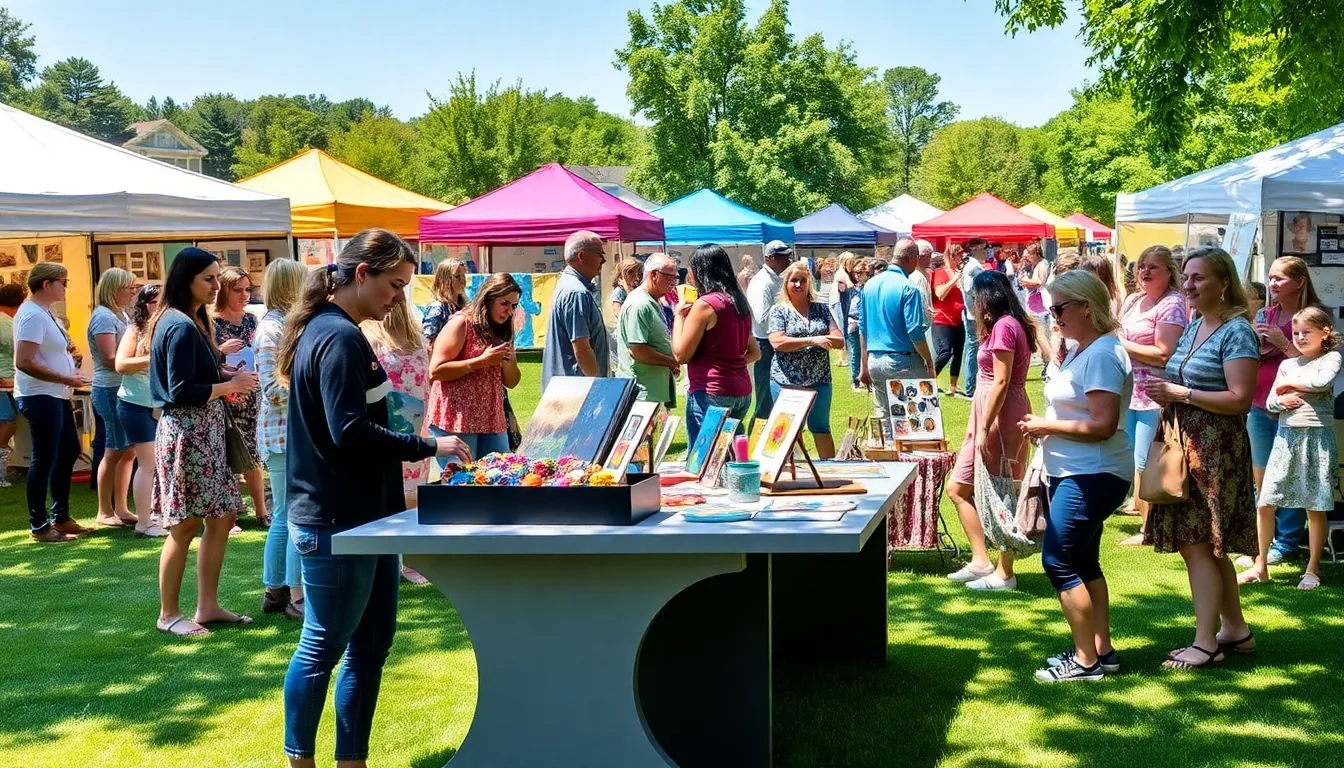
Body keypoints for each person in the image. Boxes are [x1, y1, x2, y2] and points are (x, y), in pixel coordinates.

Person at [278, 229, 469, 767]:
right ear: (362, 274)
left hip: (369, 518)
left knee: (369, 647)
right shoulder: (336, 336)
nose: (398, 297)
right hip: (338, 518)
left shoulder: (338, 331)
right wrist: (427, 443)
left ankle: (352, 760)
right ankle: (300, 760)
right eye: (393, 284)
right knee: (323, 645)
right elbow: (349, 430)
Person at [1143, 246, 1258, 670]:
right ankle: (1235, 630)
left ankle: (1205, 642)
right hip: (1185, 444)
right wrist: (1167, 392)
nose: (1188, 285)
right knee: (1209, 546)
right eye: (1186, 277)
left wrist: (1181, 394)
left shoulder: (1237, 331)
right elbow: (1181, 378)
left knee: (1199, 545)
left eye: (1199, 278)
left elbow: (1240, 399)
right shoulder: (1194, 327)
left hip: (1215, 451)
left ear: (1224, 282)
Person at [1018, 271, 1134, 681]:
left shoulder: (1102, 353)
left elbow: (1104, 424)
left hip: (1093, 472)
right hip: (1077, 470)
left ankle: (1085, 662)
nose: (1054, 316)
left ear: (1087, 306)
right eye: (1051, 308)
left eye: (1061, 308)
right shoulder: (1083, 349)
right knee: (1083, 560)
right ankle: (1101, 650)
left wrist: (1045, 427)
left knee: (1059, 560)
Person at [149, 248, 259, 636]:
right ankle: (168, 615)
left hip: (205, 431)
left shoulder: (190, 319)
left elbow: (194, 373)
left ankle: (207, 606)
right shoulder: (178, 323)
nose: (216, 286)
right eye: (208, 279)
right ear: (186, 280)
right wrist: (228, 384)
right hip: (188, 432)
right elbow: (179, 389)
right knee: (185, 525)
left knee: (222, 516)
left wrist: (225, 371)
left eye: (216, 278)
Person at [945, 271, 1034, 591]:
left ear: (987, 297)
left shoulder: (1004, 326)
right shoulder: (1006, 325)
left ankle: (1005, 573)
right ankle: (982, 561)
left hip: (999, 415)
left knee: (1002, 491)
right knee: (958, 488)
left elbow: (1001, 381)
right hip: (990, 412)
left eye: (974, 295)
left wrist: (984, 426)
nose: (971, 300)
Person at [1242, 306, 1341, 590]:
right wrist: (1283, 395)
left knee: (1315, 505)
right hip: (1286, 438)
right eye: (1295, 332)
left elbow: (1321, 382)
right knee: (1265, 500)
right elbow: (1271, 401)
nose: (1299, 337)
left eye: (1306, 332)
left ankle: (1312, 569)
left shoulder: (1331, 357)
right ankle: (1260, 565)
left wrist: (1290, 386)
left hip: (1316, 438)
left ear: (1325, 333)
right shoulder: (1287, 365)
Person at [1238, 256, 1323, 579]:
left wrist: (1282, 342)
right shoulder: (1264, 314)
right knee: (1263, 478)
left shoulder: (1313, 316)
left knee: (1291, 476)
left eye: (1279, 279)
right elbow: (1255, 352)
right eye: (1270, 278)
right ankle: (1263, 543)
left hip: (1297, 410)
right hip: (1261, 403)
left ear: (1299, 282)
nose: (1271, 285)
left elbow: (1318, 365)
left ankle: (1287, 542)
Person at [15, 264, 92, 542]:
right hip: (40, 394)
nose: (66, 287)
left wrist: (69, 370)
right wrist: (65, 376)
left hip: (54, 393)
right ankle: (40, 525)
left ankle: (60, 517)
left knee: (69, 450)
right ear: (47, 284)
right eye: (63, 282)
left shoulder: (43, 313)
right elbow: (23, 361)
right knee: (44, 459)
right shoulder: (33, 314)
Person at [1116, 246, 1187, 543]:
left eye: (1153, 266)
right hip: (1127, 390)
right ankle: (1145, 524)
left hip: (1154, 393)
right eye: (1142, 265)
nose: (1144, 271)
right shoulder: (1133, 300)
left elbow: (1162, 354)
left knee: (1148, 460)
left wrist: (1120, 342)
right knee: (1133, 459)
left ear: (1169, 272)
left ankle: (1150, 530)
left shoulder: (1172, 304)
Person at [254, 258, 309, 622]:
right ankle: (295, 595)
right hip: (283, 433)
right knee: (293, 516)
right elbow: (272, 388)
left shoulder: (283, 326)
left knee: (282, 515)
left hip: (287, 433)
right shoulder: (272, 330)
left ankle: (275, 591)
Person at [428, 273, 523, 462]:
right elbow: (435, 371)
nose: (510, 311)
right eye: (504, 303)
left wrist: (508, 360)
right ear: (488, 298)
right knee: (461, 485)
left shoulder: (503, 328)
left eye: (514, 305)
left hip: (492, 420)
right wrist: (481, 361)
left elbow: (512, 382)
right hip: (457, 421)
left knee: (499, 481)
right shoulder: (461, 323)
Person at [673, 244, 760, 447]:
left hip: (711, 391)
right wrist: (731, 362)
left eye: (691, 269)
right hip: (741, 391)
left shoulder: (705, 304)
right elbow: (755, 352)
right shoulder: (739, 302)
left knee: (702, 459)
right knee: (730, 456)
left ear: (700, 271)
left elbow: (680, 354)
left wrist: (678, 316)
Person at [858, 239, 935, 443]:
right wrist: (928, 360)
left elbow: (863, 329)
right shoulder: (908, 288)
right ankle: (914, 465)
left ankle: (886, 461)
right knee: (916, 418)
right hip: (903, 361)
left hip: (875, 360)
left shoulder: (869, 286)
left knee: (884, 420)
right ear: (912, 259)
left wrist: (863, 365)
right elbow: (915, 332)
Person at [767, 261, 844, 458]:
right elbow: (777, 342)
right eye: (794, 281)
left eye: (803, 280)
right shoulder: (779, 311)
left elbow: (839, 341)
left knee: (821, 427)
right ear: (786, 284)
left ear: (809, 283)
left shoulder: (822, 309)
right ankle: (789, 472)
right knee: (789, 429)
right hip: (787, 381)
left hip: (819, 380)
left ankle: (829, 470)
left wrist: (821, 340)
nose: (799, 285)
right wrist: (812, 340)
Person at [214, 266, 269, 529]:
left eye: (248, 289)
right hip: (225, 395)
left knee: (252, 454)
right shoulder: (211, 321)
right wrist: (221, 351)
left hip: (251, 391)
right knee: (227, 455)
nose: (244, 295)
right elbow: (203, 360)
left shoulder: (251, 319)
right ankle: (231, 515)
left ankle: (261, 511)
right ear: (223, 290)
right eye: (237, 290)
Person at [114, 284, 169, 538]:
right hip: (135, 404)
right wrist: (155, 357)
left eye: (163, 302)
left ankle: (154, 516)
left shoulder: (168, 328)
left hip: (158, 406)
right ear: (144, 305)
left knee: (156, 463)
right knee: (148, 464)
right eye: (153, 302)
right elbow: (121, 364)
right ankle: (144, 523)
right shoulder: (135, 330)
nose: (158, 307)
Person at [88, 267, 138, 528]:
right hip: (108, 389)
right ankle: (105, 510)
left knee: (127, 451)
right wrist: (140, 361)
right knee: (114, 450)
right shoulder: (104, 317)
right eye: (128, 287)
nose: (133, 291)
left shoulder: (121, 314)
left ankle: (121, 507)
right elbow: (110, 359)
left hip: (121, 389)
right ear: (113, 289)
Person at [542, 230, 610, 390]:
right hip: (577, 392)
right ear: (581, 256)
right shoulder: (576, 293)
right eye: (600, 254)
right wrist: (599, 387)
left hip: (567, 389)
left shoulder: (567, 285)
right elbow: (582, 349)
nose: (604, 261)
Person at [617, 253, 681, 408]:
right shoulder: (640, 304)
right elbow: (638, 351)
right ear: (653, 275)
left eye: (676, 277)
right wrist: (672, 362)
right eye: (669, 277)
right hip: (642, 394)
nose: (674, 282)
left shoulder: (652, 300)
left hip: (653, 390)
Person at [747, 240, 793, 427]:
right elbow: (761, 317)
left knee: (779, 396)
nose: (787, 260)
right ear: (769, 258)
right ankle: (754, 440)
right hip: (765, 345)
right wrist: (787, 312)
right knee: (765, 399)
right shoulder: (762, 282)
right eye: (783, 257)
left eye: (788, 256)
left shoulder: (776, 278)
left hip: (777, 342)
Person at [931, 243, 968, 396]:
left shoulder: (960, 272)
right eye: (959, 254)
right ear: (951, 256)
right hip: (941, 320)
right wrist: (954, 280)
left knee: (959, 353)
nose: (962, 257)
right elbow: (940, 293)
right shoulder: (941, 273)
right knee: (945, 352)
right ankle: (929, 380)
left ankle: (953, 386)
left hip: (958, 319)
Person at [0, 283, 26, 489]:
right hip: (4, 382)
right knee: (7, 423)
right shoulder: (9, 324)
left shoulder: (11, 322)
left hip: (10, 382)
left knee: (9, 422)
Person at [960, 239, 989, 396]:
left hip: (972, 312)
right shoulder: (974, 267)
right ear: (976, 248)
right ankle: (971, 387)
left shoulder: (970, 265)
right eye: (984, 248)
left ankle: (971, 385)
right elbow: (973, 289)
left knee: (973, 348)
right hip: (975, 314)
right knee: (975, 349)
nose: (986, 252)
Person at [1019, 241, 1052, 366]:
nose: (1027, 258)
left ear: (1035, 254)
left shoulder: (1041, 265)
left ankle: (1050, 361)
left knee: (1040, 335)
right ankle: (1047, 362)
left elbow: (1039, 282)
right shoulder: (1039, 265)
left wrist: (1025, 280)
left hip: (1039, 306)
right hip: (1036, 305)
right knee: (1039, 335)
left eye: (1029, 255)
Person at [420, 257, 467, 346]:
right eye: (457, 276)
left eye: (463, 275)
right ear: (444, 280)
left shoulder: (463, 307)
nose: (462, 280)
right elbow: (429, 344)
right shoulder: (437, 309)